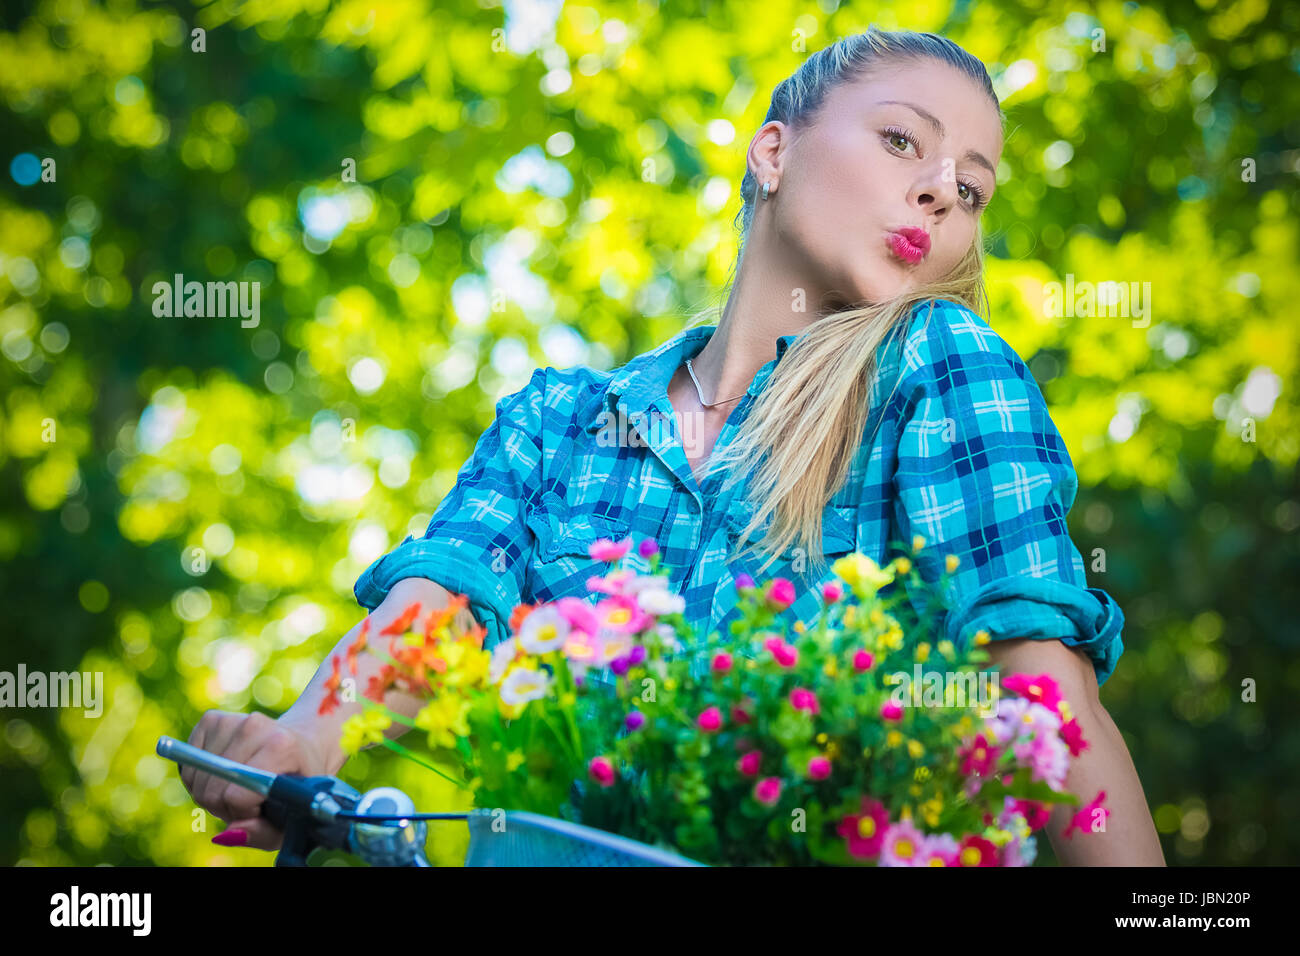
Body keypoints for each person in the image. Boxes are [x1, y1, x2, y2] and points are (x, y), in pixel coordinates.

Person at [181, 27, 1164, 864]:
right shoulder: (560, 418)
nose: (942, 193)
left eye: (971, 188)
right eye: (903, 140)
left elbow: (1040, 689)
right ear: (772, 153)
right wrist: (307, 736)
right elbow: (433, 613)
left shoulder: (939, 369)